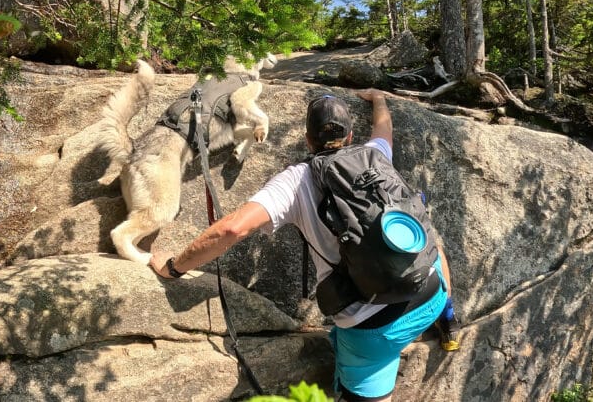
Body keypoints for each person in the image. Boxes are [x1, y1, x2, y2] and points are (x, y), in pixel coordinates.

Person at [150, 89, 458, 402]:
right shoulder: (375, 155)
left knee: (363, 367)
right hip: (431, 292)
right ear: (351, 136)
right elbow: (383, 128)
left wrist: (174, 266)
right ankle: (449, 318)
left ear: (308, 140)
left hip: (374, 329)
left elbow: (231, 229)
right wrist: (378, 99)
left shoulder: (295, 181)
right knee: (420, 222)